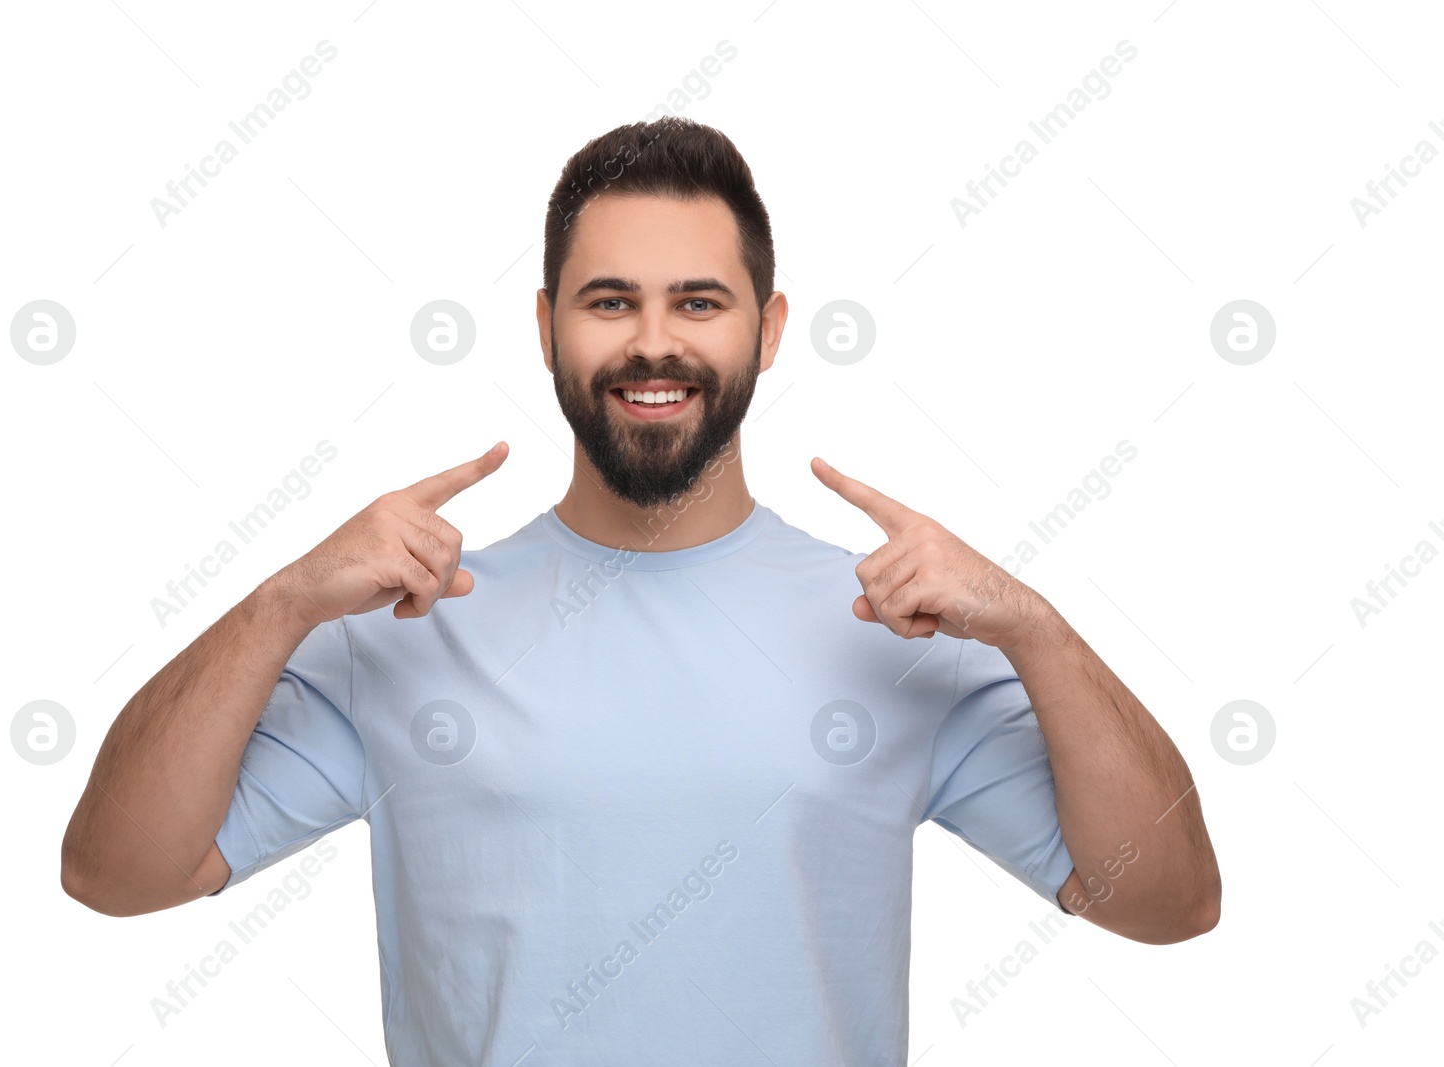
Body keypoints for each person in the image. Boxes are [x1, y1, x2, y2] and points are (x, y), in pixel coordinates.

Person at [61, 116, 1220, 1064]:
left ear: (766, 331)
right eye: (609, 300)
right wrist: (280, 604)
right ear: (547, 329)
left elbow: (1164, 904)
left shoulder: (894, 625)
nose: (651, 343)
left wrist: (1038, 631)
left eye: (698, 302)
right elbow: (118, 873)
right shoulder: (411, 622)